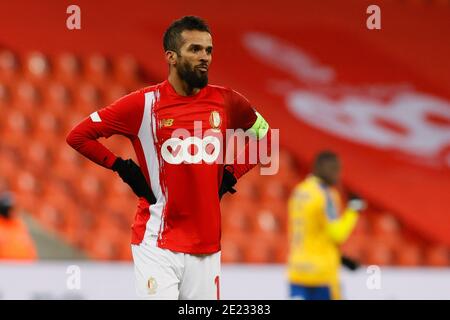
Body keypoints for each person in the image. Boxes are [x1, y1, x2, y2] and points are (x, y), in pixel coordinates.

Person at [66, 16, 271, 299]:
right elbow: (78, 135)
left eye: (208, 50)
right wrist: (121, 167)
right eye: (195, 49)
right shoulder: (143, 104)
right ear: (171, 57)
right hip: (156, 242)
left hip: (207, 248)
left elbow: (267, 137)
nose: (204, 58)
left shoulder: (228, 101)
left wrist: (233, 173)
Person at [287, 151, 365, 300]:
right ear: (319, 168)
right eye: (333, 168)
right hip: (321, 274)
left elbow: (312, 233)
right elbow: (337, 234)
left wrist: (340, 258)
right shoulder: (326, 194)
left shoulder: (299, 192)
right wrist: (353, 211)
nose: (337, 174)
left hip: (297, 270)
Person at [0, 191, 38, 260]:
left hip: (24, 267)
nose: (12, 211)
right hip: (4, 267)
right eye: (10, 208)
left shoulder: (19, 224)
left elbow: (28, 246)